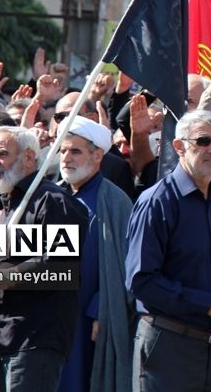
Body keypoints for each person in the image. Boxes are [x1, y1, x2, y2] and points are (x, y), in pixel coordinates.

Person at [0, 126, 90, 392]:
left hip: (35, 335)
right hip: (1, 334)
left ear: (29, 158)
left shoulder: (54, 200)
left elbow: (59, 262)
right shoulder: (10, 208)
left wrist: (7, 278)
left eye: (2, 154)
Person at [125, 110, 211, 392]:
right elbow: (141, 281)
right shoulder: (157, 201)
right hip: (170, 348)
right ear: (179, 146)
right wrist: (209, 303)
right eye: (203, 141)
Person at [57, 119, 134, 392]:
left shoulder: (116, 202)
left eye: (75, 151)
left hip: (88, 320)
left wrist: (102, 309)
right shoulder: (52, 196)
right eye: (63, 151)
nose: (66, 158)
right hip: (51, 317)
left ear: (98, 155)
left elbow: (127, 263)